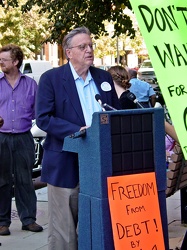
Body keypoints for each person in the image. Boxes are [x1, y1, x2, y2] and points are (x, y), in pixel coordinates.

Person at [36, 26, 120, 250]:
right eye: (83, 47)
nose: (89, 50)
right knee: (64, 233)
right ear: (69, 52)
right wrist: (78, 129)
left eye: (91, 45)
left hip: (98, 164)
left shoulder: (103, 78)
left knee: (95, 225)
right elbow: (43, 118)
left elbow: (115, 112)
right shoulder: (51, 79)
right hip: (65, 164)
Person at [0, 44, 43, 236]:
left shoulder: (31, 84)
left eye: (4, 59)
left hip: (24, 137)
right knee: (2, 181)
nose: (1, 62)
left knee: (25, 179)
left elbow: (39, 112)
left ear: (16, 61)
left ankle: (28, 220)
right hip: (1, 137)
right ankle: (2, 222)